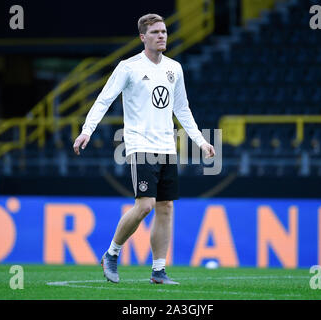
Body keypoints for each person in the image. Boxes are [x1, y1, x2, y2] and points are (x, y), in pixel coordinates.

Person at [73, 13, 215, 284]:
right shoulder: (129, 67)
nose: (162, 36)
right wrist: (86, 131)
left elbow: (182, 109)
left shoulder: (175, 68)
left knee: (165, 208)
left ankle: (159, 270)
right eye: (155, 32)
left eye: (164, 31)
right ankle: (112, 253)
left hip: (167, 147)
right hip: (140, 145)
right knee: (145, 205)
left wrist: (200, 141)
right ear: (142, 37)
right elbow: (104, 100)